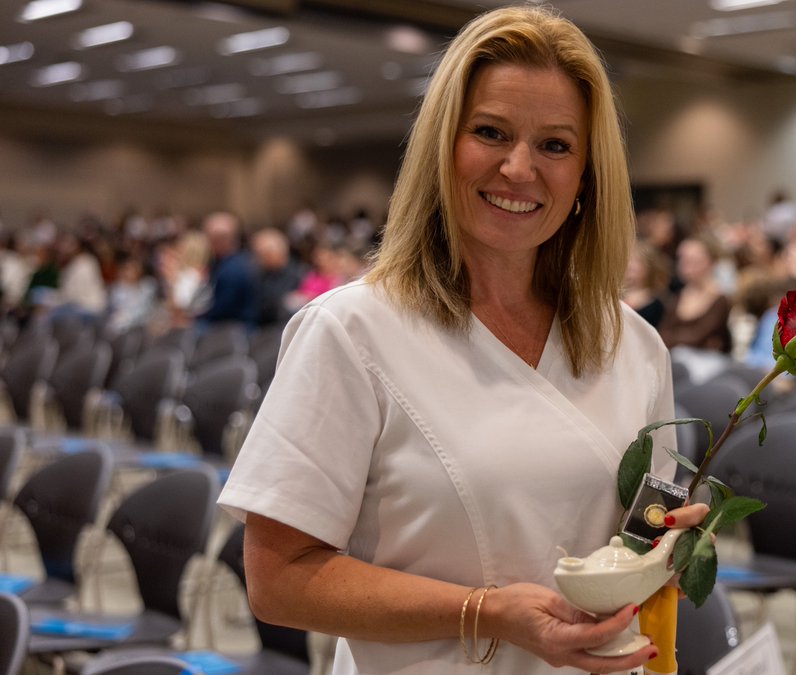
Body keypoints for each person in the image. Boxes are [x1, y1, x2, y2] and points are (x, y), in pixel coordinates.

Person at [217, 7, 708, 675]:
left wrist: (671, 548)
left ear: (587, 175)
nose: (517, 167)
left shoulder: (633, 344)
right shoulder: (350, 332)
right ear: (443, 146)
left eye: (555, 145)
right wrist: (487, 611)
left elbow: (638, 546)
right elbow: (277, 578)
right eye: (490, 132)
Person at [658, 234, 733, 353]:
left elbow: (699, 337)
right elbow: (663, 333)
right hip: (675, 357)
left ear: (711, 262)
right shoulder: (678, 295)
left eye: (692, 260)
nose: (684, 266)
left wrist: (673, 338)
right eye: (682, 259)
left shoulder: (720, 298)